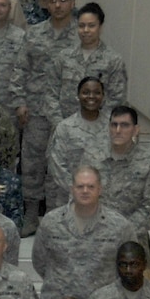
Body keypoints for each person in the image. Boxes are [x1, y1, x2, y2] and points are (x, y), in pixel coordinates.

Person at [32, 167, 136, 299]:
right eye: (80, 186)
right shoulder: (51, 222)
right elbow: (40, 261)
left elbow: (128, 268)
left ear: (100, 189)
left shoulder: (120, 227)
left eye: (90, 186)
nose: (85, 191)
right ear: (72, 188)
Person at [20, 0, 78, 227]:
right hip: (36, 110)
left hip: (69, 114)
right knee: (32, 163)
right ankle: (31, 214)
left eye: (63, 0)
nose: (58, 5)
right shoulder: (34, 33)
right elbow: (20, 68)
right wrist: (20, 101)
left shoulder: (80, 35)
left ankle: (57, 218)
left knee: (63, 166)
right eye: (53, 1)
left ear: (72, 3)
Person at [83, 105, 150, 231]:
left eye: (124, 125)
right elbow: (78, 193)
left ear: (135, 130)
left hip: (130, 236)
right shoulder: (92, 156)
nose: (118, 130)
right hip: (93, 232)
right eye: (114, 125)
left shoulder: (149, 162)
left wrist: (122, 229)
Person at [46, 77, 110, 209]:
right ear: (78, 96)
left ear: (103, 96)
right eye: (86, 92)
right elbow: (57, 166)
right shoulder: (65, 127)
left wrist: (100, 190)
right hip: (69, 200)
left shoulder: (114, 126)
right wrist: (81, 190)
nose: (91, 96)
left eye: (97, 92)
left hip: (106, 201)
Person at [57, 4, 128, 120]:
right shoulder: (64, 57)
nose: (86, 30)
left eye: (91, 26)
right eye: (81, 26)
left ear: (100, 27)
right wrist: (60, 124)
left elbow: (117, 99)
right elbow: (51, 93)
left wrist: (99, 126)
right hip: (65, 126)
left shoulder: (113, 60)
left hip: (99, 130)